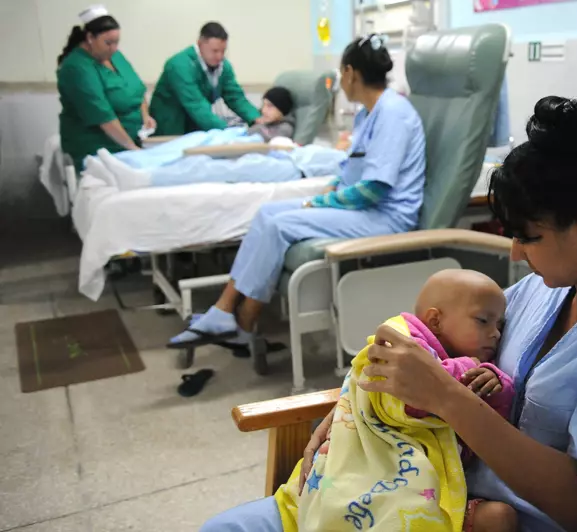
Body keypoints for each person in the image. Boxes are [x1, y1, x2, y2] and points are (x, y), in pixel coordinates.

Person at [200, 96, 577, 532]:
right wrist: (348, 412)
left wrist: (446, 398)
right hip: (415, 486)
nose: (516, 253)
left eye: (527, 236)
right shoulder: (547, 289)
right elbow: (435, 348)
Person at [167, 34, 427, 351]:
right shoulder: (367, 114)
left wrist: (316, 202)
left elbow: (374, 188)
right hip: (364, 209)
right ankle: (223, 311)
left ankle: (244, 322)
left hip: (386, 217)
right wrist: (329, 194)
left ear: (350, 73)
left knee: (280, 224)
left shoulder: (393, 113)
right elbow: (350, 172)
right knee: (266, 212)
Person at [277, 270, 517, 532]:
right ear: (435, 320)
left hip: (434, 482)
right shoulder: (395, 342)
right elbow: (408, 398)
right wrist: (467, 367)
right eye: (483, 321)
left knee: (499, 519)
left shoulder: (477, 367)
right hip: (380, 472)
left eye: (500, 326)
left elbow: (491, 422)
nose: (495, 333)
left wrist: (496, 383)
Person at [57, 5, 152, 171]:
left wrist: (145, 117)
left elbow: (138, 90)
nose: (114, 48)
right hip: (99, 148)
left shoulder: (114, 56)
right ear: (90, 38)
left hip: (129, 142)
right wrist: (133, 149)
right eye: (108, 43)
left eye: (117, 42)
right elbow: (103, 117)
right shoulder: (77, 68)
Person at [149, 22, 265, 136]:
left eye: (223, 51)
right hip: (171, 125)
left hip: (197, 123)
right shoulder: (179, 66)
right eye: (214, 51)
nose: (219, 56)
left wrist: (256, 118)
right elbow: (196, 104)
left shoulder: (223, 67)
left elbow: (236, 97)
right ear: (200, 44)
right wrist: (225, 130)